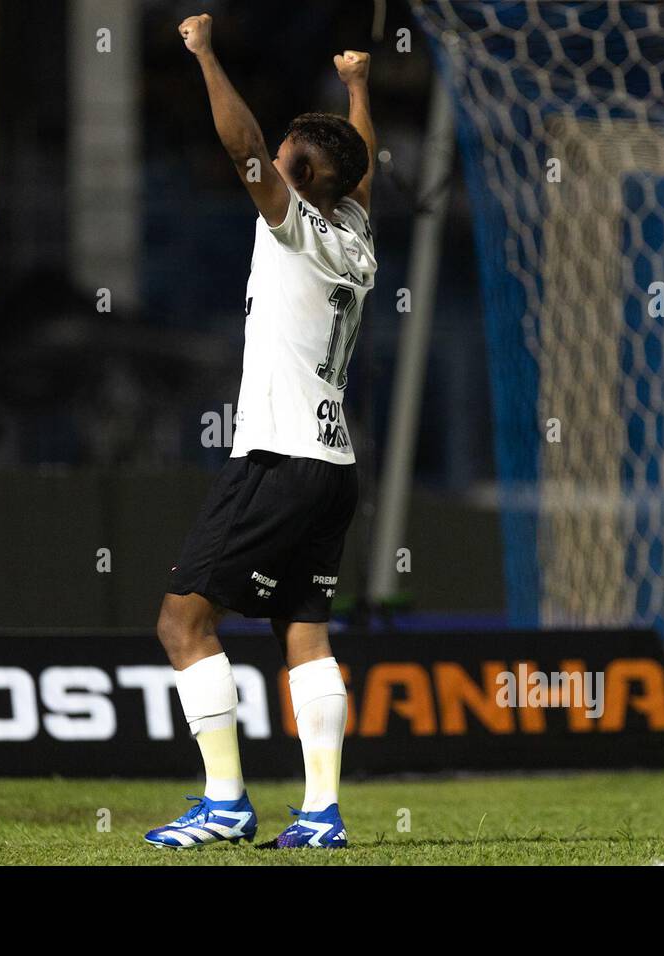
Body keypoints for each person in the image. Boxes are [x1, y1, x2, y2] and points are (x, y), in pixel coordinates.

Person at [144, 13, 378, 850]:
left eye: (284, 154)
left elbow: (240, 145)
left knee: (182, 624)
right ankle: (320, 813)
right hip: (333, 467)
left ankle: (225, 801)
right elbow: (361, 171)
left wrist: (206, 54)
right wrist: (356, 88)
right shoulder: (353, 233)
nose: (267, 159)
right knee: (305, 631)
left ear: (301, 172)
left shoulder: (296, 226)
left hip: (278, 457)